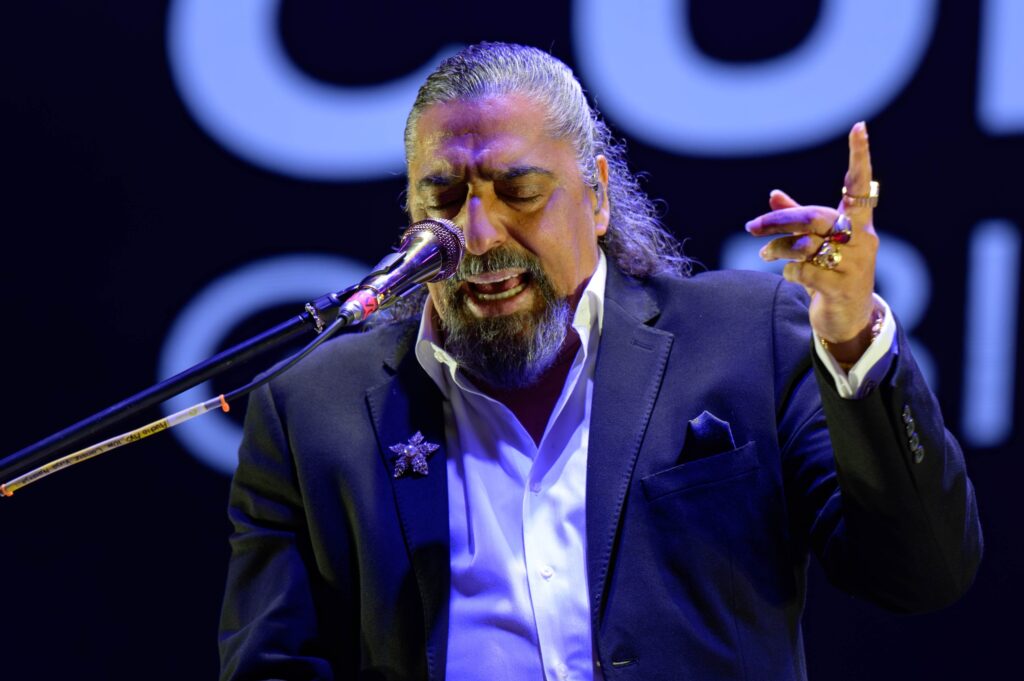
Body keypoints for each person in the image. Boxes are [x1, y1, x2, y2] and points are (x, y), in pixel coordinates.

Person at [218, 42, 982, 681]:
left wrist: (851, 337)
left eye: (520, 191)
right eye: (443, 200)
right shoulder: (310, 410)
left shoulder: (748, 337)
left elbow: (921, 572)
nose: (478, 235)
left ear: (598, 193)